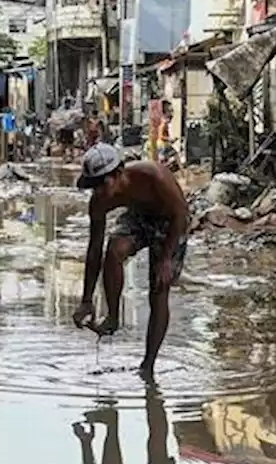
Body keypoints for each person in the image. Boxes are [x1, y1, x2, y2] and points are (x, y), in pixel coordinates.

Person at [73, 142, 189, 380]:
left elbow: (181, 213)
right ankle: (113, 316)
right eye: (94, 188)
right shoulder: (99, 201)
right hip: (138, 217)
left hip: (171, 222)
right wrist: (86, 300)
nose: (99, 193)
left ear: (118, 174)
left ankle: (148, 365)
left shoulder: (153, 176)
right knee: (114, 249)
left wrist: (166, 258)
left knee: (158, 289)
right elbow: (94, 250)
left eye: (103, 185)